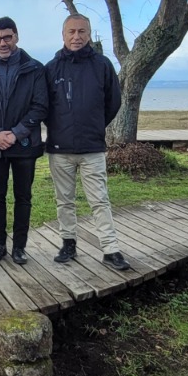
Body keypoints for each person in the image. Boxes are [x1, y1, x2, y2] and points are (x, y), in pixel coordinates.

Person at [45, 14, 131, 271]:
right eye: (71, 32)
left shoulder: (102, 65)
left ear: (89, 34)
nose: (76, 37)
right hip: (59, 148)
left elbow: (113, 103)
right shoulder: (51, 68)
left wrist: (93, 125)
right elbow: (44, 106)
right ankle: (68, 243)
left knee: (99, 200)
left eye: (82, 31)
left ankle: (110, 249)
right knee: (64, 200)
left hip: (92, 147)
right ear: (63, 35)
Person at [0, 16, 48, 266]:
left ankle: (19, 247)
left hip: (24, 144)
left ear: (16, 36)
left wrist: (15, 133)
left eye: (7, 37)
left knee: (23, 197)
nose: (2, 43)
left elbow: (40, 107)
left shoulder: (35, 68)